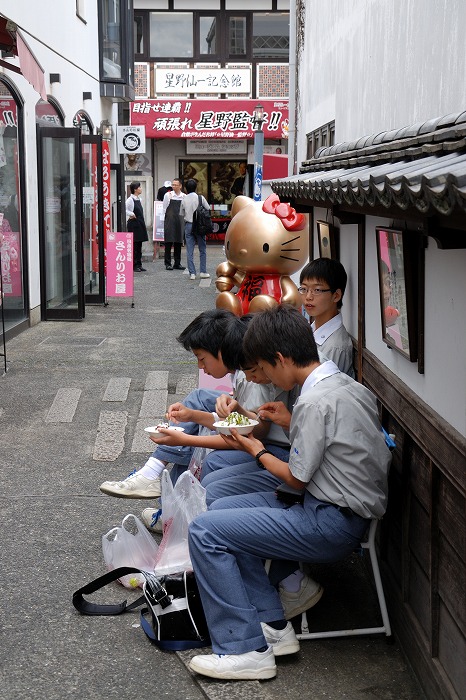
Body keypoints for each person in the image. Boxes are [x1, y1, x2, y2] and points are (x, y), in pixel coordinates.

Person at [187, 305, 392, 680]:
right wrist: (288, 419)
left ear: (281, 359)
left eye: (263, 368)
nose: (262, 377)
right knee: (222, 511)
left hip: (330, 520)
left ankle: (245, 649)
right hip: (330, 507)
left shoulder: (313, 401)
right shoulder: (346, 386)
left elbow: (295, 480)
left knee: (205, 531)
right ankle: (273, 628)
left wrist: (256, 450)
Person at [99, 310, 271, 502]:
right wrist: (191, 417)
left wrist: (185, 438)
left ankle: (159, 487)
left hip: (268, 448)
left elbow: (249, 432)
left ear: (222, 350)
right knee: (195, 416)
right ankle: (164, 501)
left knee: (198, 437)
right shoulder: (244, 373)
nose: (200, 366)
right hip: (260, 439)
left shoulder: (254, 377)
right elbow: (242, 424)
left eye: (202, 358)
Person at [299, 257, 354, 377]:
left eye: (317, 290)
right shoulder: (310, 329)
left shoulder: (335, 348)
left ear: (336, 296)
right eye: (304, 289)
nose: (308, 296)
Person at [180, 179, 210, 281]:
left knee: (189, 250)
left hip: (188, 225)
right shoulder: (200, 198)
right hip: (200, 225)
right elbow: (208, 208)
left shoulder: (184, 199)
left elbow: (181, 213)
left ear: (186, 188)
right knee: (202, 249)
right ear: (195, 187)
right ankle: (203, 271)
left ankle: (192, 273)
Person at [162, 178, 186, 270]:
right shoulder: (168, 195)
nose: (174, 186)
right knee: (168, 242)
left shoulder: (184, 196)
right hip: (170, 220)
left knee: (178, 241)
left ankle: (177, 263)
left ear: (180, 186)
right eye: (173, 185)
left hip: (180, 220)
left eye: (176, 185)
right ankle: (167, 263)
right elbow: (164, 209)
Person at [126, 181, 148, 272]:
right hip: (134, 224)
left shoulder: (139, 199)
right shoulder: (130, 200)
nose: (141, 189)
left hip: (140, 223)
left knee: (139, 245)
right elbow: (126, 210)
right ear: (135, 189)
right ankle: (134, 265)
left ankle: (139, 264)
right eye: (139, 187)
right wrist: (131, 214)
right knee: (134, 245)